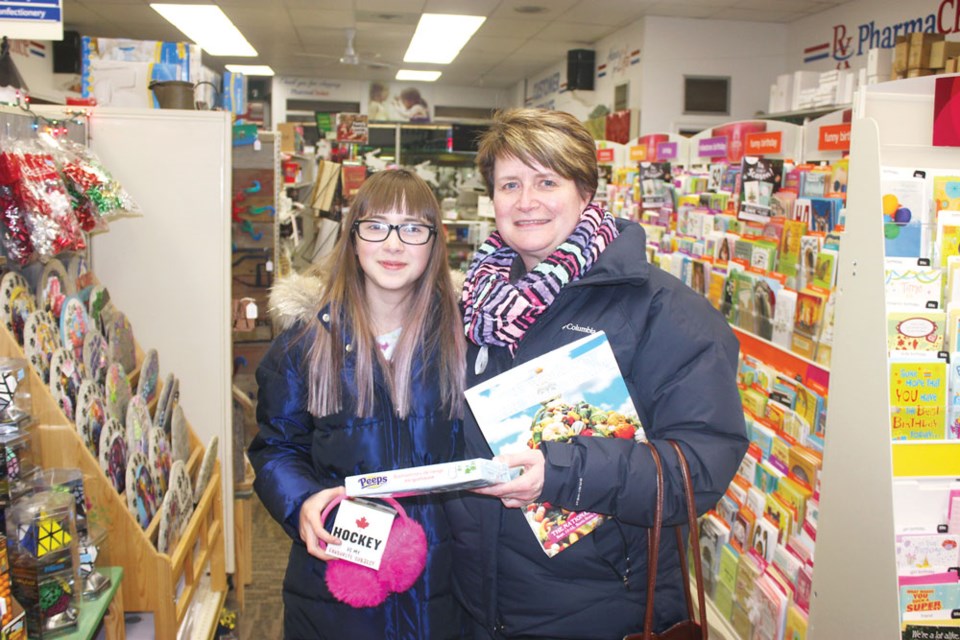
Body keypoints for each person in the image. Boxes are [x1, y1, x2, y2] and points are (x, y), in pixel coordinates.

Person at [447, 108, 748, 639]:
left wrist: (562, 473)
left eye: (547, 181)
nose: (526, 201)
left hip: (604, 608)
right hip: (482, 602)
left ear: (585, 191)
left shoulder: (667, 312)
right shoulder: (475, 306)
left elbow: (701, 467)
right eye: (509, 183)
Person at [248, 168, 467, 639]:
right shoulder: (305, 343)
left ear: (434, 243)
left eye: (412, 228)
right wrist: (303, 502)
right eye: (376, 226)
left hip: (444, 579)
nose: (393, 244)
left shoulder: (462, 340)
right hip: (339, 580)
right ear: (353, 239)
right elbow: (276, 447)